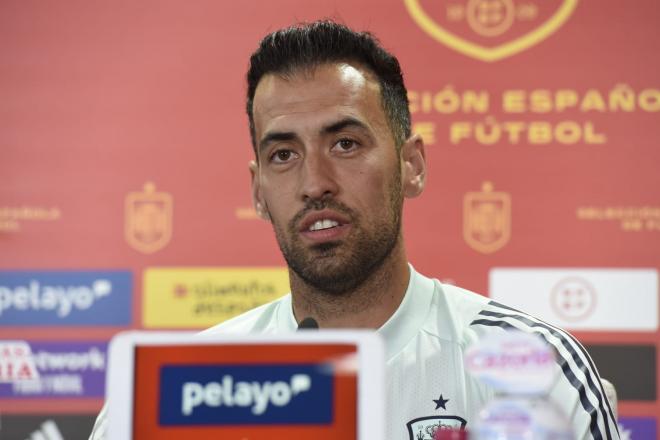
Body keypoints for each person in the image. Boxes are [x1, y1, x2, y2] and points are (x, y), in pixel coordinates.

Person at [90, 20, 619, 440]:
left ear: (411, 165)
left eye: (345, 144)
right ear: (257, 190)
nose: (314, 183)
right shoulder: (173, 394)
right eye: (282, 154)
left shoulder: (534, 368)